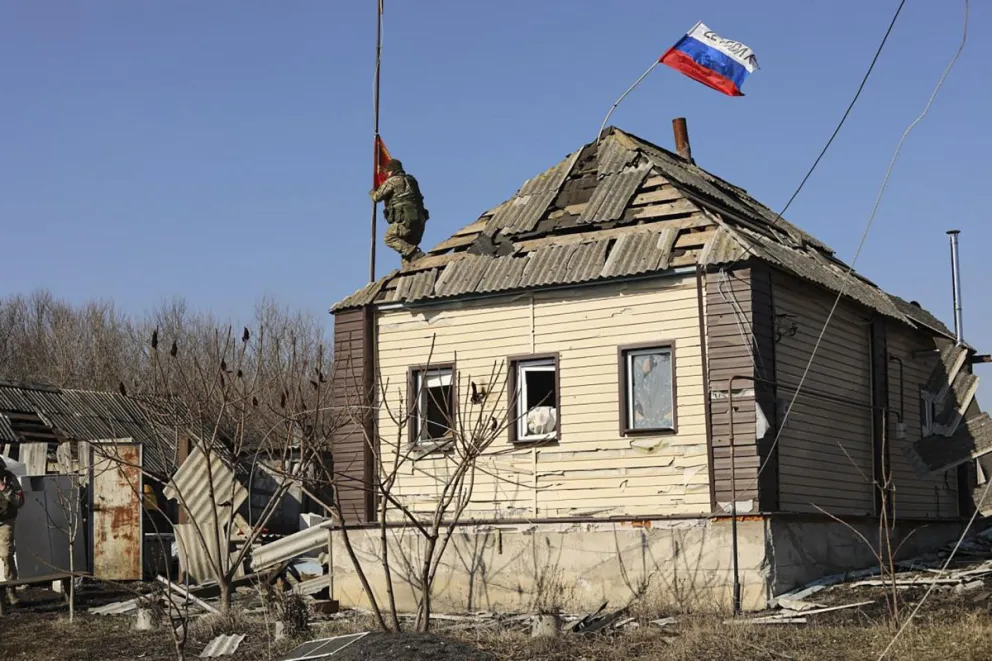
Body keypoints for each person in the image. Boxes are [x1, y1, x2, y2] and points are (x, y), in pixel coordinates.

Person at [370, 159, 429, 267]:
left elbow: (377, 197)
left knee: (389, 237)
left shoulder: (393, 181)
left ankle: (414, 252)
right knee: (408, 257)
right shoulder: (412, 180)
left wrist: (372, 191)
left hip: (405, 222)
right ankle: (412, 269)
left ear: (391, 171)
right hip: (419, 222)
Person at [0, 456, 24, 606]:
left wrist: (5, 489)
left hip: (5, 522)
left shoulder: (10, 479)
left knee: (6, 554)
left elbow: (20, 501)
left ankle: (11, 589)